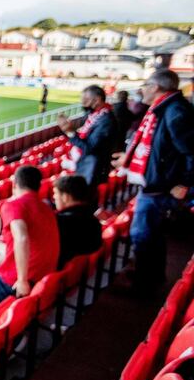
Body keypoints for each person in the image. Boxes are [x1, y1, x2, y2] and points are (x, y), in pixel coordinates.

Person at [111, 69, 194, 290]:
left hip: (161, 187)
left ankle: (143, 283)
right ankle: (151, 276)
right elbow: (162, 149)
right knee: (152, 233)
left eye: (146, 85)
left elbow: (191, 151)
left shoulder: (175, 112)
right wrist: (128, 159)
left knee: (143, 233)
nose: (142, 90)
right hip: (158, 183)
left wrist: (185, 182)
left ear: (156, 87)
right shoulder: (166, 109)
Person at [0, 166, 60, 303]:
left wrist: (22, 280)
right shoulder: (46, 208)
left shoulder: (13, 205)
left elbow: (22, 239)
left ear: (15, 184)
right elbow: (16, 248)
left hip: (16, 282)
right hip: (42, 279)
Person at [58, 85, 118, 192]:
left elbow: (89, 147)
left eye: (86, 100)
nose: (83, 103)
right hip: (86, 168)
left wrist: (70, 131)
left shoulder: (105, 121)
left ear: (97, 100)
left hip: (90, 172)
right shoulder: (94, 115)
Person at [53, 175, 102, 268]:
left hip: (62, 275)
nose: (54, 197)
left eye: (55, 193)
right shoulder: (94, 220)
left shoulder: (60, 222)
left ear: (65, 197)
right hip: (82, 273)